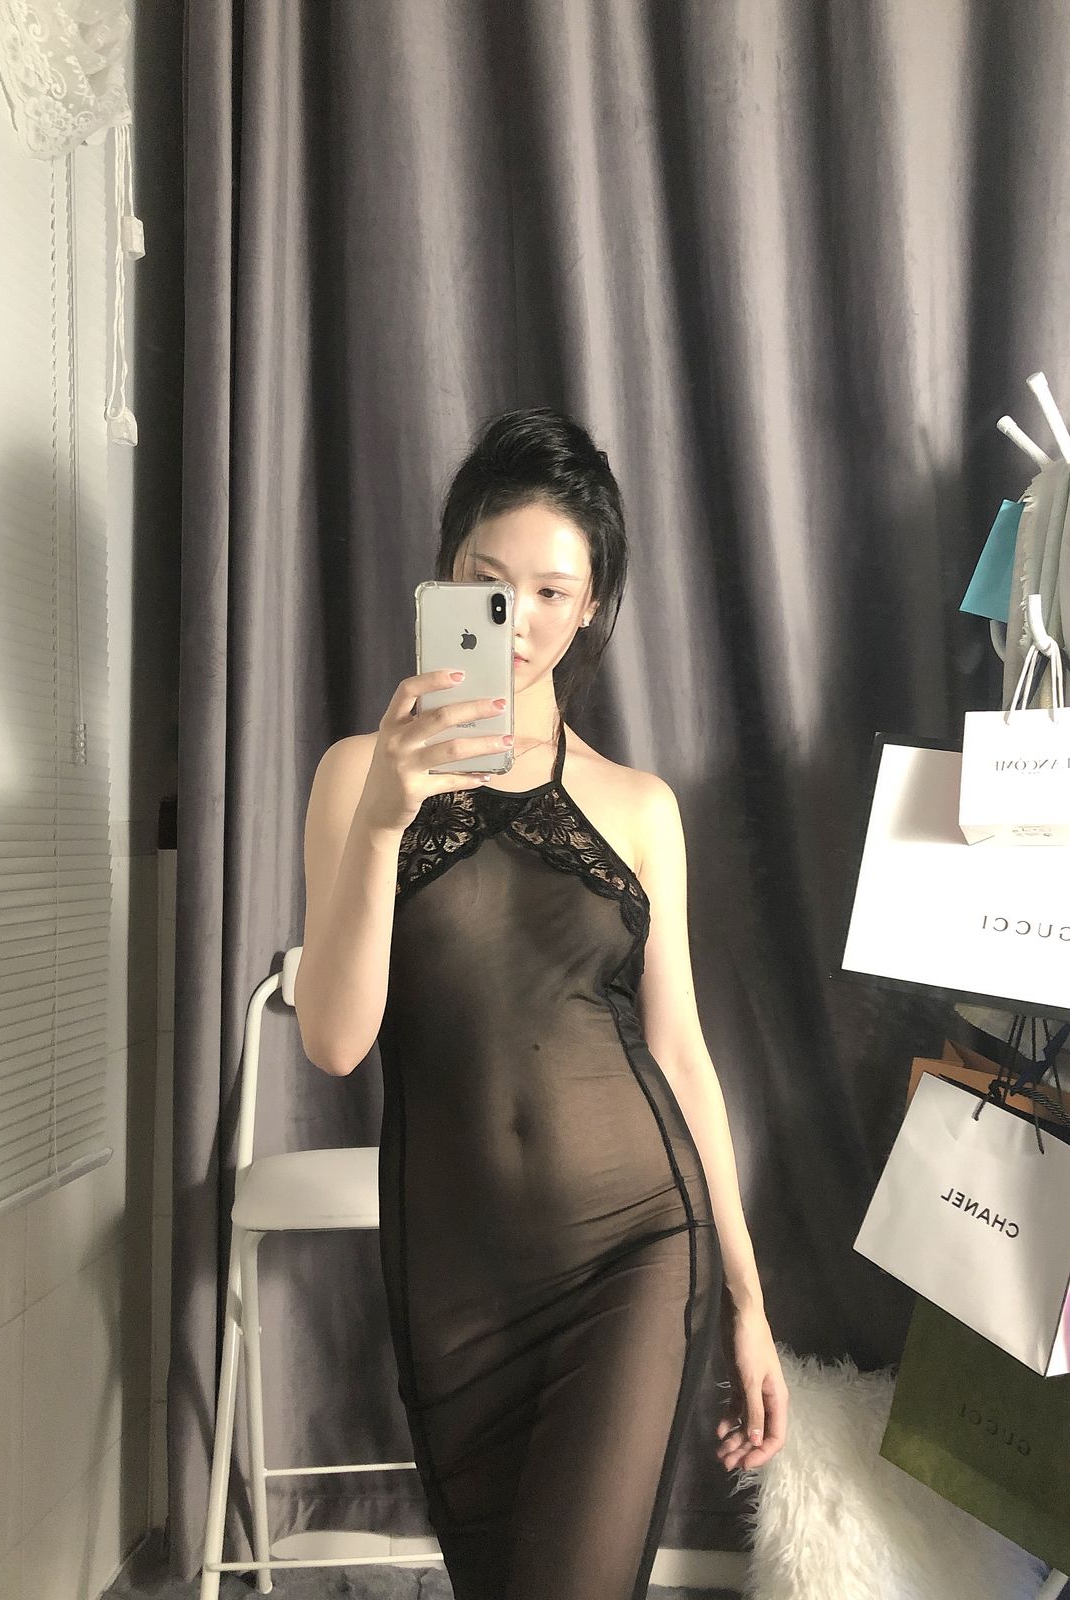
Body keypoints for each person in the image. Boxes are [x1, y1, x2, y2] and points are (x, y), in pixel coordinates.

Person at [295, 408, 787, 1600]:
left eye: (552, 593)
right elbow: (335, 1039)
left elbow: (680, 1053)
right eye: (489, 583)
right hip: (455, 1289)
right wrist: (385, 819)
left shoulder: (640, 807)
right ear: (445, 575)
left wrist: (748, 1299)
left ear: (590, 607)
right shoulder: (357, 777)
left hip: (635, 1252)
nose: (516, 621)